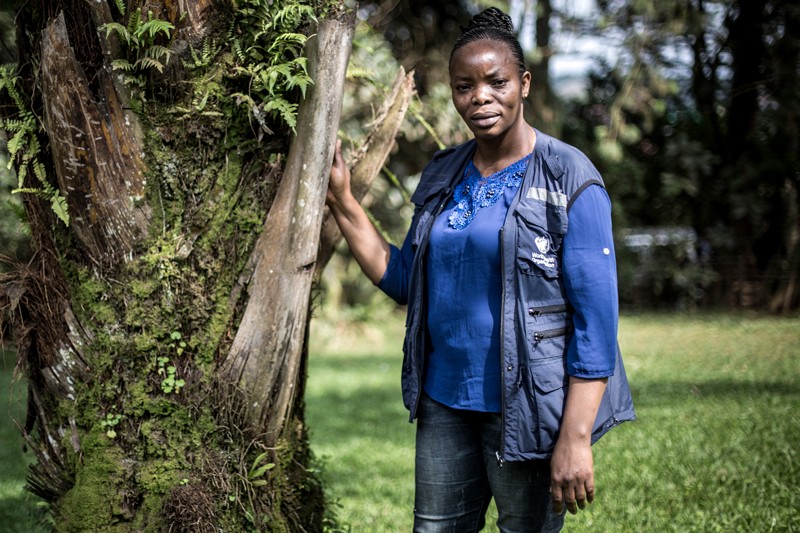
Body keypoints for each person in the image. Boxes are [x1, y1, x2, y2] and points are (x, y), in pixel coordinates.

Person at [326, 7, 635, 532]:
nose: (480, 97)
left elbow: (597, 325)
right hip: (444, 403)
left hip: (531, 408)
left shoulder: (568, 175)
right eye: (464, 85)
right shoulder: (444, 171)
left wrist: (575, 438)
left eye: (497, 82)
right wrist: (343, 200)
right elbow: (406, 279)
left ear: (525, 83)